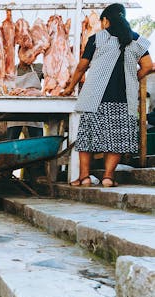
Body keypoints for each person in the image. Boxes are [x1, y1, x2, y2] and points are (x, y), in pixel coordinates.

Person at [62, 3, 152, 187]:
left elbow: (82, 66)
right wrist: (134, 78)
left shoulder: (97, 38)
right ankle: (108, 178)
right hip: (124, 98)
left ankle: (85, 177)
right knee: (117, 138)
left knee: (87, 137)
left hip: (95, 96)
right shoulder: (136, 39)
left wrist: (70, 87)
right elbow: (149, 66)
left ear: (105, 20)